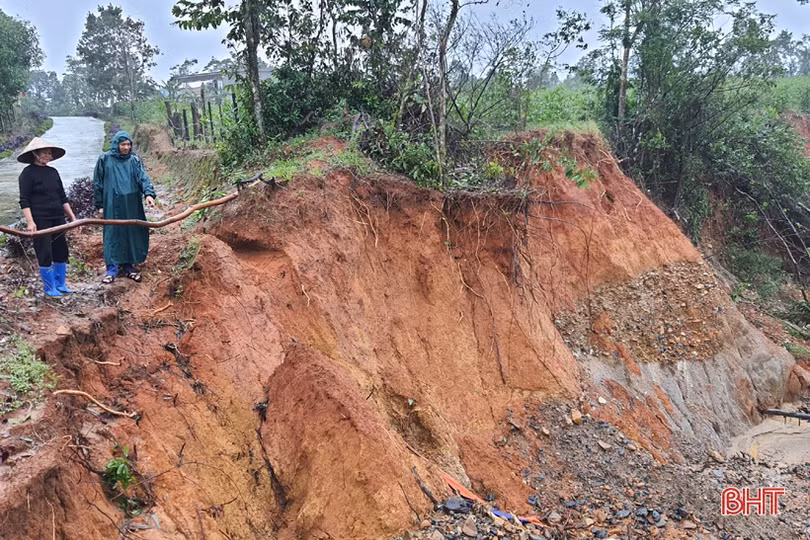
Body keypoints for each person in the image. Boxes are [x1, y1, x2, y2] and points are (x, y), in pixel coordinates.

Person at [17, 137, 77, 297]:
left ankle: (61, 284)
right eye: (45, 152)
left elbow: (62, 197)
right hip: (40, 219)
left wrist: (72, 218)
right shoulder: (27, 174)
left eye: (49, 153)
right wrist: (30, 222)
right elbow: (24, 200)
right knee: (45, 252)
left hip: (58, 217)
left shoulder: (53, 172)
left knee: (61, 250)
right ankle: (50, 288)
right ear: (35, 154)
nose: (48, 156)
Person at [93, 131, 156, 283]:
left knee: (131, 232)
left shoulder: (134, 161)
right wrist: (100, 205)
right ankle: (112, 269)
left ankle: (129, 267)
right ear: (116, 144)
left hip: (132, 204)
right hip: (112, 204)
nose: (126, 147)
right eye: (123, 144)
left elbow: (142, 178)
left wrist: (148, 194)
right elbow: (98, 183)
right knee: (113, 233)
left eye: (128, 144)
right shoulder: (105, 159)